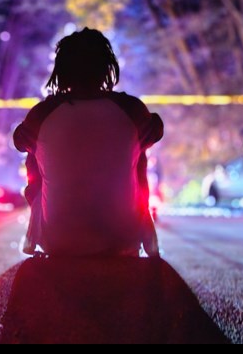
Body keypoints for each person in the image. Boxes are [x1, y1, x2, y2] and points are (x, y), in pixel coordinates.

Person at [14, 28, 164, 258]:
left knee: (34, 151)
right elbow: (156, 129)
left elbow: (19, 139)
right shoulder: (131, 109)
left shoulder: (43, 113)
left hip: (58, 241)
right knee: (138, 149)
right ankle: (145, 233)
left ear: (61, 70)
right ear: (107, 68)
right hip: (122, 239)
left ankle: (34, 235)